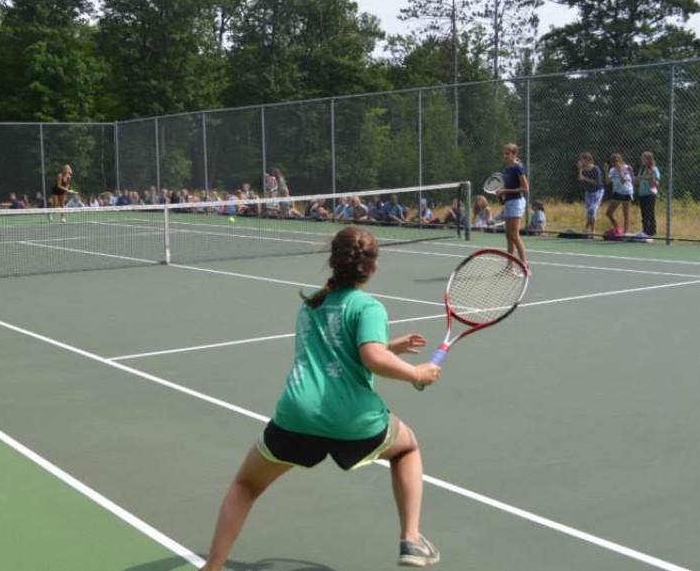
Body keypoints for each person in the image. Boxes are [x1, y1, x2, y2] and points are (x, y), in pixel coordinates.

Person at [198, 226, 442, 571]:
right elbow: (371, 358)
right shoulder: (368, 306)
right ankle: (411, 540)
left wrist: (392, 347)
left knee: (245, 485)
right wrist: (417, 373)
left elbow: (337, 349)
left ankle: (214, 566)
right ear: (372, 267)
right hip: (353, 420)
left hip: (297, 415)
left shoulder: (312, 303)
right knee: (407, 449)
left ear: (333, 261)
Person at [495, 143, 530, 268]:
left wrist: (505, 191)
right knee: (508, 235)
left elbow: (525, 188)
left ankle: (525, 266)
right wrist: (500, 195)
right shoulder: (507, 169)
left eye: (507, 154)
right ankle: (509, 267)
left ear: (514, 154)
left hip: (517, 202)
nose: (505, 156)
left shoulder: (518, 167)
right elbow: (507, 188)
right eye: (504, 153)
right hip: (509, 202)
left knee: (514, 235)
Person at [605, 153, 634, 234]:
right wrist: (606, 171)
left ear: (620, 161)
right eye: (613, 163)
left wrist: (620, 171)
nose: (614, 164)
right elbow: (607, 182)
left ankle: (625, 233)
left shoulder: (626, 168)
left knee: (626, 214)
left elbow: (623, 181)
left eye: (616, 162)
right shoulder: (612, 170)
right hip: (617, 192)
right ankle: (617, 228)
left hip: (626, 192)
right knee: (609, 213)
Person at [576, 152, 604, 237]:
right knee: (589, 212)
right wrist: (579, 169)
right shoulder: (583, 170)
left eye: (582, 160)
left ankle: (592, 231)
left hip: (597, 191)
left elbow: (596, 182)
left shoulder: (595, 169)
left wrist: (585, 178)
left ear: (588, 160)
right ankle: (587, 230)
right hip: (588, 192)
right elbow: (580, 178)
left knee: (592, 210)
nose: (580, 161)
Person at [635, 151, 660, 237]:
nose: (642, 160)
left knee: (650, 213)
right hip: (642, 193)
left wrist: (651, 177)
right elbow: (637, 181)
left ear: (649, 159)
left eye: (644, 158)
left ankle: (652, 232)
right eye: (642, 158)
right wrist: (637, 179)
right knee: (643, 214)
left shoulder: (654, 169)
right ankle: (645, 232)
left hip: (650, 193)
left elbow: (656, 183)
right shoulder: (642, 169)